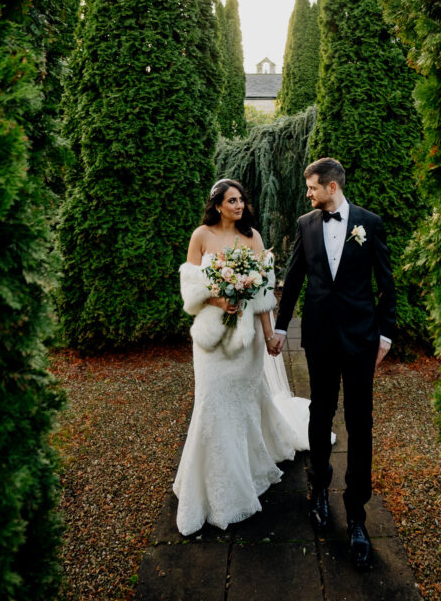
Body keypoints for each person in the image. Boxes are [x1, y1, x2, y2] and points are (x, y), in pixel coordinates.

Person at [269, 157, 396, 571]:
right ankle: (319, 490)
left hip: (360, 340)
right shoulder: (307, 225)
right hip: (320, 337)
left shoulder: (369, 223)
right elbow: (295, 279)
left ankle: (357, 513)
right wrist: (282, 328)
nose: (308, 194)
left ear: (332, 186)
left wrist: (386, 333)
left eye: (312, 187)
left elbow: (386, 282)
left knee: (361, 422)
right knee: (319, 414)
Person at [173, 178, 307, 535]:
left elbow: (263, 292)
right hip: (211, 340)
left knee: (245, 403)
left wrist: (269, 335)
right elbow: (190, 288)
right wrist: (219, 299)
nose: (239, 205)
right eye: (232, 200)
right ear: (217, 205)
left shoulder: (254, 238)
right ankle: (208, 483)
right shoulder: (201, 235)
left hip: (246, 338)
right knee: (211, 402)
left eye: (241, 200)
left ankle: (246, 468)